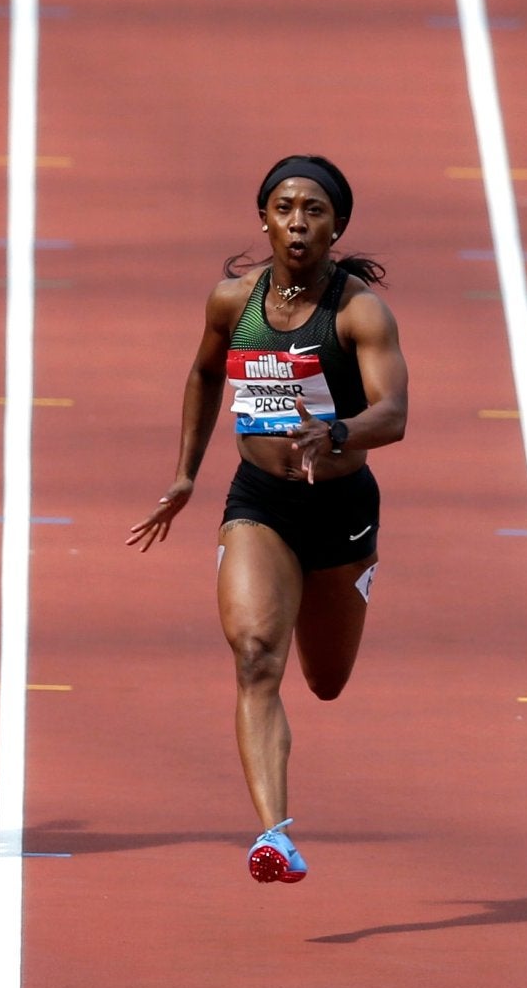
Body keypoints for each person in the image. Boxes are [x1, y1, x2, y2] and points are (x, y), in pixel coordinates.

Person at [127, 155, 408, 884]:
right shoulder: (233, 301)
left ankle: (354, 580)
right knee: (256, 655)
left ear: (336, 225)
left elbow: (394, 412)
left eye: (314, 209)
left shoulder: (357, 312)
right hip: (261, 501)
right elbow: (201, 374)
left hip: (341, 508)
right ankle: (274, 835)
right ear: (264, 218)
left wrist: (339, 432)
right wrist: (186, 473)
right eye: (284, 207)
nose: (297, 221)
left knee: (326, 680)